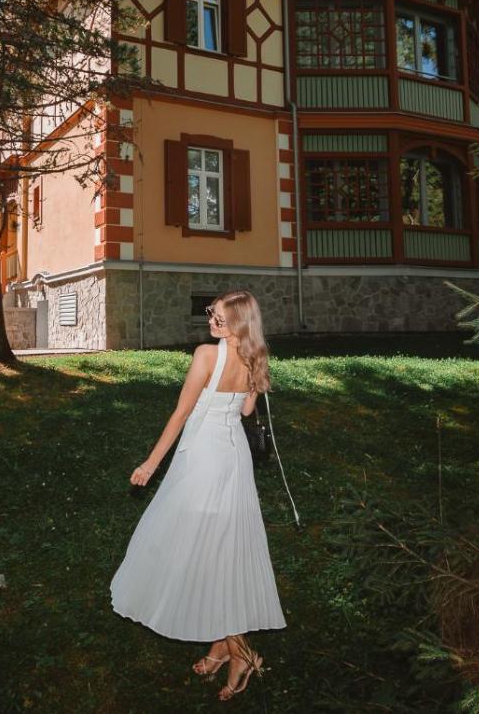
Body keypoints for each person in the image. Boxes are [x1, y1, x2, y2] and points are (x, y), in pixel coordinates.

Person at [109, 289, 286, 701]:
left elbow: (182, 413)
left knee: (205, 550)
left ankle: (241, 653)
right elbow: (246, 412)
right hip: (234, 459)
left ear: (237, 323)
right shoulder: (256, 357)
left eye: (218, 318)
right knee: (222, 547)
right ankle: (222, 647)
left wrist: (150, 464)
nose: (210, 321)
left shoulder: (206, 355)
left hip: (204, 460)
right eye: (211, 313)